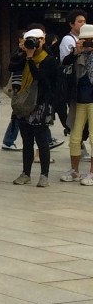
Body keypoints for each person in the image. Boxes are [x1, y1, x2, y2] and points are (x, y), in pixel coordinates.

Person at [9, 27, 59, 188]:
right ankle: (26, 173)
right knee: (27, 140)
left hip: (41, 103)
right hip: (24, 102)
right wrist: (21, 52)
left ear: (42, 41)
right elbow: (11, 67)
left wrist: (30, 59)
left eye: (36, 40)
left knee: (41, 139)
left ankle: (44, 174)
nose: (33, 44)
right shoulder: (23, 56)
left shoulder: (49, 59)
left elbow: (39, 77)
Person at [62, 24, 93, 185]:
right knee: (75, 137)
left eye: (90, 41)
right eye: (84, 40)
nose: (87, 43)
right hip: (79, 99)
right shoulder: (77, 55)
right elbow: (65, 64)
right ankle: (75, 170)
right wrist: (75, 52)